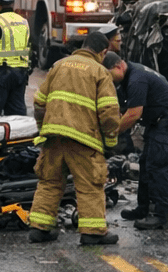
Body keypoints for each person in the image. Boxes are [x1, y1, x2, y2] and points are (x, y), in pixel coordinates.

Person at [27, 31, 121, 245]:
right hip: (83, 140)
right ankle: (93, 232)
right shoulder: (99, 72)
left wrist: (44, 130)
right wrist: (111, 142)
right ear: (103, 52)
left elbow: (39, 102)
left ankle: (39, 229)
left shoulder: (59, 65)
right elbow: (108, 113)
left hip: (53, 137)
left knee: (50, 182)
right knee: (90, 184)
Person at [103, 52, 168, 231]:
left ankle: (160, 217)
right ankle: (143, 209)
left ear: (119, 66)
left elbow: (134, 114)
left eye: (109, 76)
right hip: (158, 121)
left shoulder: (137, 79)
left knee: (159, 167)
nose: (109, 81)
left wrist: (112, 133)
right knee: (146, 163)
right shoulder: (130, 76)